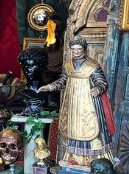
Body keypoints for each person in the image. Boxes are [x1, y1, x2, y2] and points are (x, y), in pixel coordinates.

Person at [38, 35, 116, 166]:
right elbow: (63, 81)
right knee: (74, 129)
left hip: (89, 104)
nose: (76, 52)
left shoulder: (92, 65)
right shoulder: (68, 65)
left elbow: (102, 82)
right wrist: (49, 86)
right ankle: (75, 159)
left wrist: (98, 88)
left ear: (84, 49)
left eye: (79, 49)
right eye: (73, 49)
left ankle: (95, 161)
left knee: (92, 129)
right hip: (73, 104)